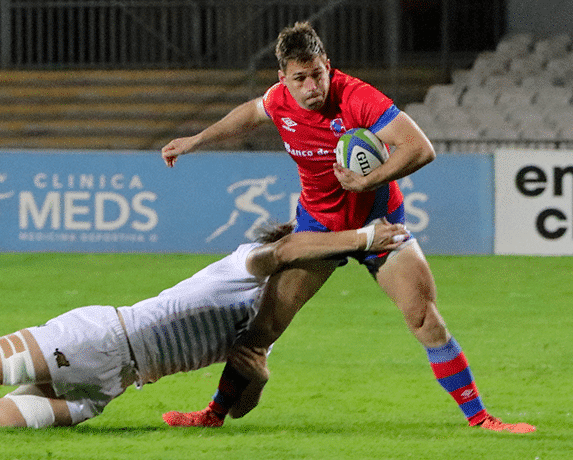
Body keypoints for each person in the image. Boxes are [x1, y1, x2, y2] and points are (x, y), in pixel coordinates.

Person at [160, 22, 535, 433]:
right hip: (320, 229)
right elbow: (249, 115)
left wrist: (368, 181)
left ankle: (481, 419)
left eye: (317, 74)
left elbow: (420, 148)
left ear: (328, 66)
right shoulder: (279, 101)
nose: (310, 87)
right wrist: (196, 140)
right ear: (283, 79)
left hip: (381, 226)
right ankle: (212, 415)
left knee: (425, 319)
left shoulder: (357, 97)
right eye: (299, 79)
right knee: (262, 329)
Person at [0, 221, 406, 429]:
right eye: (306, 270)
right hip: (101, 340)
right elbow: (285, 251)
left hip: (113, 383)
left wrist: (256, 379)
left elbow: (239, 408)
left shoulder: (261, 325)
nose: (305, 286)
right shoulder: (245, 267)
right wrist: (360, 239)